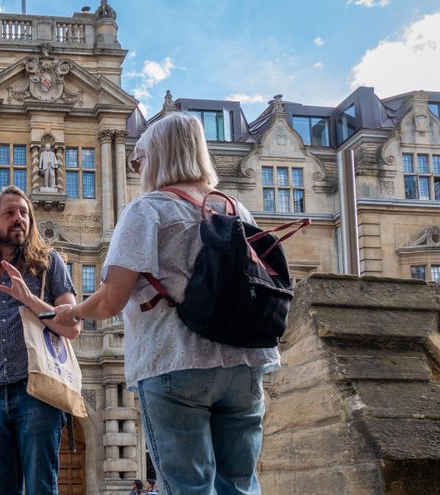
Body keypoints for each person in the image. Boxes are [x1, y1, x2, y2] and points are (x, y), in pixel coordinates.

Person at [53, 112, 279, 494]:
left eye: (139, 159)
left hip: (175, 360)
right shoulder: (233, 208)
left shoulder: (149, 209)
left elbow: (111, 299)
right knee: (240, 486)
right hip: (244, 364)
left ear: (157, 157)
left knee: (187, 487)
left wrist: (72, 311)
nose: (137, 168)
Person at [0, 185, 81, 494]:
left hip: (37, 392)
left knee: (40, 487)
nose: (18, 218)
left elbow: (73, 327)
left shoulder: (49, 264)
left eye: (24, 213)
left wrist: (30, 300)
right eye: (9, 213)